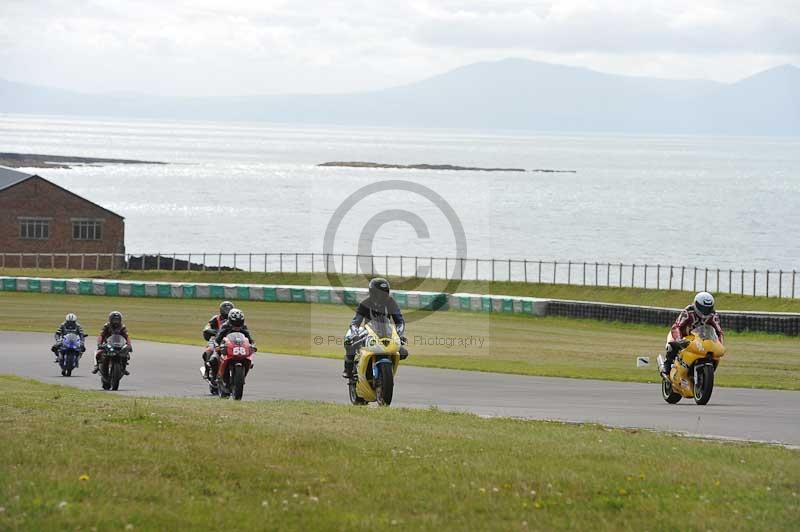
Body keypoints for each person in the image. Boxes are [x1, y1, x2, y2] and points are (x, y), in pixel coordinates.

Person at [342, 277, 408, 381]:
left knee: (403, 352)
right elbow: (356, 322)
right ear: (372, 292)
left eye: (384, 292)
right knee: (348, 341)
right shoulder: (365, 303)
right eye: (379, 293)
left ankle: (385, 377)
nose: (382, 295)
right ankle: (348, 368)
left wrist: (399, 335)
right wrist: (354, 335)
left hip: (387, 333)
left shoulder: (391, 303)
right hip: (368, 332)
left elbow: (399, 321)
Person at [661, 291, 724, 377]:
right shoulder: (688, 312)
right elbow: (677, 327)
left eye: (707, 308)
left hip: (699, 339)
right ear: (696, 304)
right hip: (681, 335)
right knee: (671, 346)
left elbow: (719, 332)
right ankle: (666, 366)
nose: (705, 311)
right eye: (702, 308)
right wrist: (679, 340)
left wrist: (720, 344)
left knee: (712, 354)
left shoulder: (713, 315)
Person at [208, 308, 257, 379]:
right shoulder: (225, 326)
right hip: (224, 348)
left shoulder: (244, 327)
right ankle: (213, 378)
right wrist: (217, 346)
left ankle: (241, 377)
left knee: (249, 360)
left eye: (239, 322)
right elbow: (217, 338)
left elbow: (250, 339)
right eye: (235, 323)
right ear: (230, 321)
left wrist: (252, 345)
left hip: (238, 348)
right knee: (213, 359)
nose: (237, 325)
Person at [92, 311, 133, 375]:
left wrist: (129, 345)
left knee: (126, 354)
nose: (115, 321)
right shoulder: (106, 326)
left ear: (120, 320)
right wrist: (99, 344)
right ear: (110, 319)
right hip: (108, 344)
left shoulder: (122, 327)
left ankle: (123, 368)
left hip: (119, 344)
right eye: (114, 320)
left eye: (117, 319)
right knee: (98, 353)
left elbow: (127, 337)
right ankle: (96, 367)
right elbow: (101, 335)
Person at [202, 301, 234, 378]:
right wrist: (213, 331)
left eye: (229, 310)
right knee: (209, 350)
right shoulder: (215, 318)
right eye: (225, 310)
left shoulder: (234, 319)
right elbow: (207, 328)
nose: (227, 312)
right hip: (216, 339)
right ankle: (207, 370)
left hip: (230, 340)